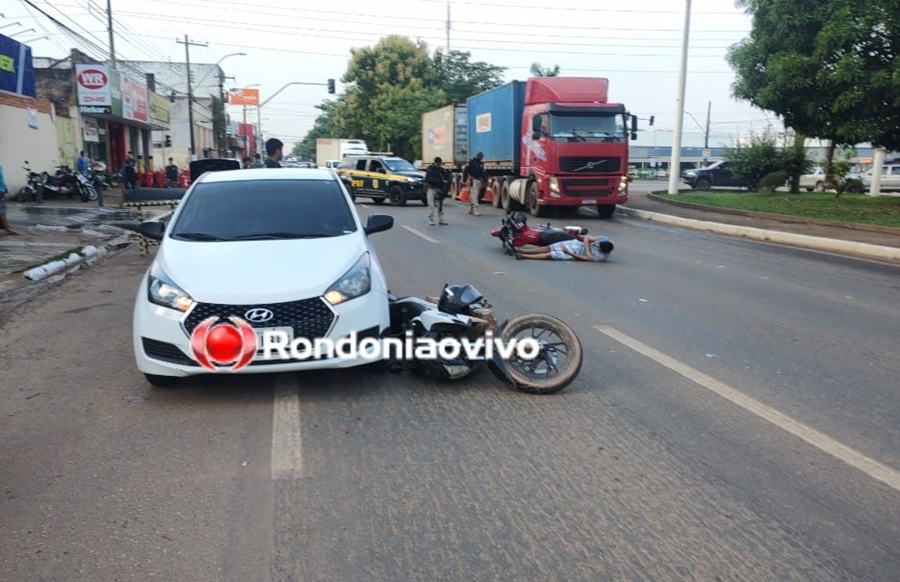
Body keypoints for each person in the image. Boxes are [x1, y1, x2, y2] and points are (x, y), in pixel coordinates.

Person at [515, 234, 613, 262]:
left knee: (550, 255)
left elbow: (584, 258)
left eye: (598, 247)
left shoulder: (601, 257)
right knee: (549, 248)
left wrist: (569, 253)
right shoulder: (603, 238)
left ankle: (524, 256)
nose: (596, 245)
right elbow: (587, 239)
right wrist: (588, 250)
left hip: (574, 253)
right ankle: (523, 250)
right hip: (576, 244)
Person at [424, 156, 451, 226]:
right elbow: (430, 179)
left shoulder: (441, 170)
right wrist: (441, 181)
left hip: (439, 189)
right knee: (431, 205)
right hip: (431, 188)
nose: (439, 165)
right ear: (435, 163)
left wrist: (447, 180)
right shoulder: (430, 170)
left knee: (440, 205)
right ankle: (431, 220)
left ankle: (441, 219)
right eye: (438, 164)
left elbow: (447, 176)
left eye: (440, 164)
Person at [0, 160, 21, 236]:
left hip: (1, 190)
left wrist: (5, 190)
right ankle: (6, 228)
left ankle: (6, 227)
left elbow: (1, 179)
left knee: (2, 211)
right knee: (2, 211)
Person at [462, 151, 485, 216]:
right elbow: (465, 170)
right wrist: (464, 179)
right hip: (473, 179)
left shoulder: (481, 164)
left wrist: (484, 181)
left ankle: (471, 209)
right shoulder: (471, 162)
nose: (481, 158)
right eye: (481, 156)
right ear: (478, 156)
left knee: (476, 195)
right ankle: (475, 209)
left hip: (479, 180)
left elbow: (482, 173)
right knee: (474, 195)